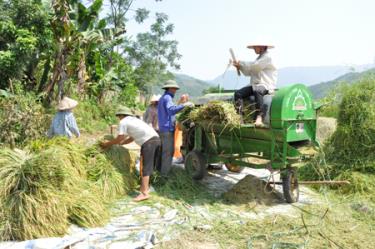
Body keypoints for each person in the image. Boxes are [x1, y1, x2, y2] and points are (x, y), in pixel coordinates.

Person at [100, 106, 161, 202]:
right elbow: (132, 138)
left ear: (120, 115)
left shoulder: (123, 122)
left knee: (145, 166)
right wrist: (121, 144)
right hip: (156, 140)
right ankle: (145, 187)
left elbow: (120, 138)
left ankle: (144, 193)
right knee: (149, 165)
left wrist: (107, 144)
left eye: (118, 116)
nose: (118, 118)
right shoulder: (135, 121)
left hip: (148, 143)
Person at [232, 42, 277, 126]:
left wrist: (240, 63)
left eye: (255, 47)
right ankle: (239, 117)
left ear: (261, 47)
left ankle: (260, 117)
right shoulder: (259, 58)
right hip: (255, 84)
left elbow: (255, 67)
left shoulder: (267, 57)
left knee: (257, 90)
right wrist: (240, 66)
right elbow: (249, 71)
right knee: (238, 93)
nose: (254, 49)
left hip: (266, 84)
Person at [157, 80, 190, 176]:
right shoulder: (167, 98)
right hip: (167, 130)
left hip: (163, 129)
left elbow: (171, 110)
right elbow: (171, 111)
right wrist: (184, 105)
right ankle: (164, 176)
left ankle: (159, 172)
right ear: (170, 88)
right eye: (174, 89)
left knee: (163, 153)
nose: (175, 90)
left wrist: (180, 103)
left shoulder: (164, 97)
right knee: (168, 153)